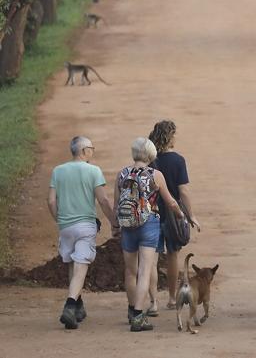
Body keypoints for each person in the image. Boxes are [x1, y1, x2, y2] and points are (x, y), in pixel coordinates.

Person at [47, 136, 117, 329]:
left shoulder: (58, 171)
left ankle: (78, 306)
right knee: (81, 264)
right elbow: (103, 201)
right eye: (92, 148)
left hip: (66, 226)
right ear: (84, 150)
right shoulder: (93, 171)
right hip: (85, 225)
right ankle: (70, 305)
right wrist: (113, 222)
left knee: (72, 263)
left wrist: (59, 219)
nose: (93, 151)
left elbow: (51, 201)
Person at [114, 137, 183, 332]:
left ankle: (130, 309)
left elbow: (116, 204)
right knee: (145, 270)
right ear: (151, 155)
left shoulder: (122, 174)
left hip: (127, 225)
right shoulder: (156, 175)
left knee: (130, 271)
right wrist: (180, 215)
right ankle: (138, 315)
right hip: (149, 225)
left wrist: (115, 226)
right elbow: (170, 202)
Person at [147, 120, 201, 314]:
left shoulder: (150, 160)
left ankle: (152, 302)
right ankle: (171, 298)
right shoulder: (178, 160)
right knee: (172, 256)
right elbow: (183, 191)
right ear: (170, 138)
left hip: (151, 213)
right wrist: (191, 215)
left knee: (151, 259)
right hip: (172, 215)